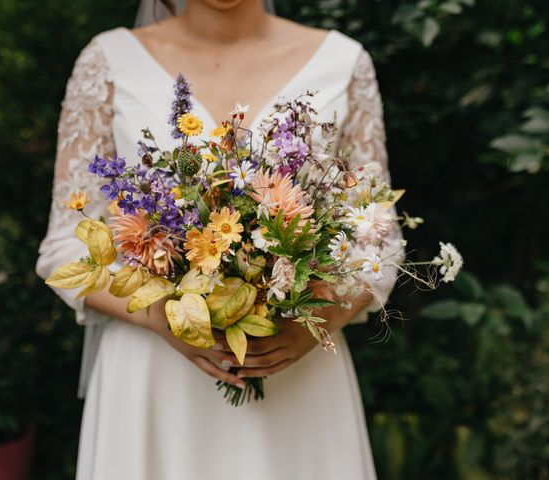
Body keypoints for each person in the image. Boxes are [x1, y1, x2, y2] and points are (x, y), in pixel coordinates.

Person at [36, 0, 403, 478]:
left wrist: (323, 317)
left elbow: (379, 240)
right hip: (153, 378)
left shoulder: (343, 62)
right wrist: (167, 320)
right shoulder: (107, 62)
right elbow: (66, 247)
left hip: (298, 368)